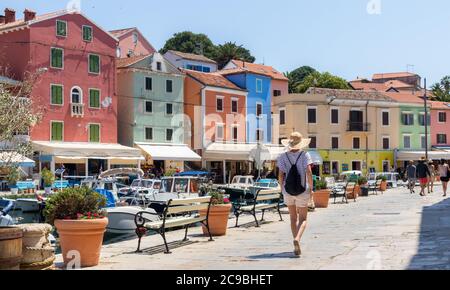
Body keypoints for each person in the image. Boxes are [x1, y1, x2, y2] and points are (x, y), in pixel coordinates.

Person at [277, 132, 314, 257]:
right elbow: (308, 172)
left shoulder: (283, 156)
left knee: (293, 218)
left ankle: (295, 243)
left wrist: (282, 189)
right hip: (302, 190)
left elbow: (281, 175)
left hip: (288, 190)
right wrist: (311, 189)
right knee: (303, 218)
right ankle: (297, 238)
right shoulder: (305, 155)